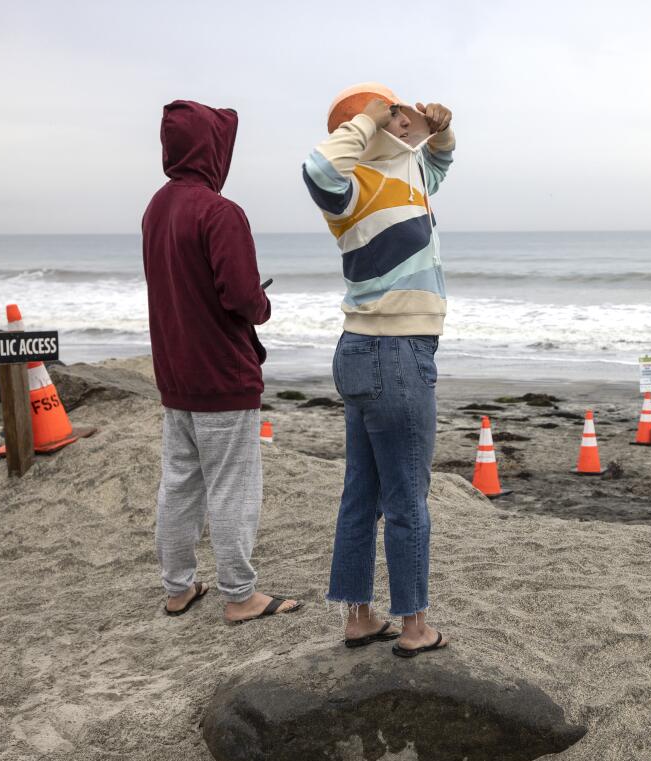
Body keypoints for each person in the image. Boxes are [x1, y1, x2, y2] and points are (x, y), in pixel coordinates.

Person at [301, 83, 455, 657]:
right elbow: (318, 166)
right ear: (362, 127)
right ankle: (415, 628)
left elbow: (439, 158)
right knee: (407, 497)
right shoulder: (349, 187)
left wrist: (440, 127)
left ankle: (360, 618)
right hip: (394, 353)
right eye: (388, 113)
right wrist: (366, 118)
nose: (397, 118)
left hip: (369, 352)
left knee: (363, 492)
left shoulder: (407, 176)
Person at [143, 99, 301, 623]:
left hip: (176, 373)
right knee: (233, 486)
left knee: (180, 484)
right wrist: (263, 302)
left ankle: (177, 588)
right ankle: (240, 596)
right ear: (212, 149)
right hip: (222, 374)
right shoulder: (220, 211)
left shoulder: (156, 208)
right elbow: (240, 298)